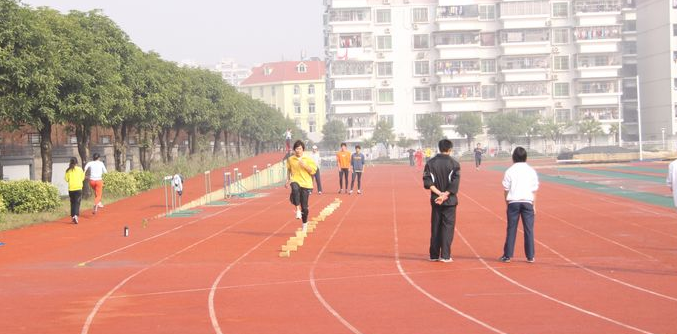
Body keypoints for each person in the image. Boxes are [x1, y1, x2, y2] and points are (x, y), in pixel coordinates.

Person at [423, 139, 461, 263]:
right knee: (447, 228)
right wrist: (445, 195)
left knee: (436, 226)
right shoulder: (454, 164)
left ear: (439, 148)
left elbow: (427, 182)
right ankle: (445, 255)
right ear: (450, 149)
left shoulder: (430, 163)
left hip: (436, 199)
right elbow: (455, 183)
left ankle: (434, 255)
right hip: (449, 201)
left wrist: (439, 194)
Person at [499, 147, 539, 263]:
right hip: (527, 202)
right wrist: (534, 205)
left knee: (511, 229)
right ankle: (530, 256)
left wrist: (507, 203)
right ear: (526, 157)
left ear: (513, 158)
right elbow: (534, 190)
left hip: (513, 202)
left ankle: (507, 255)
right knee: (529, 229)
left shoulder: (510, 171)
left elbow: (506, 189)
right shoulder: (531, 171)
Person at [286, 140, 317, 231]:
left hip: (306, 183)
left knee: (305, 208)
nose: (298, 150)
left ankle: (304, 223)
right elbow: (288, 170)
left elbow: (313, 171)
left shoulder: (308, 159)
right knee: (295, 188)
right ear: (294, 150)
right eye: (296, 149)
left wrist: (305, 166)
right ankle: (298, 210)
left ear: (303, 149)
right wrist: (288, 180)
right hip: (295, 180)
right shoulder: (291, 159)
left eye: (299, 148)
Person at [64, 157, 85, 224]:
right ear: (77, 162)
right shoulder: (80, 169)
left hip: (71, 189)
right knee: (77, 202)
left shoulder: (68, 170)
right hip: (78, 188)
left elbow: (66, 179)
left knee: (72, 203)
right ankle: (76, 215)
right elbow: (82, 178)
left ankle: (73, 216)